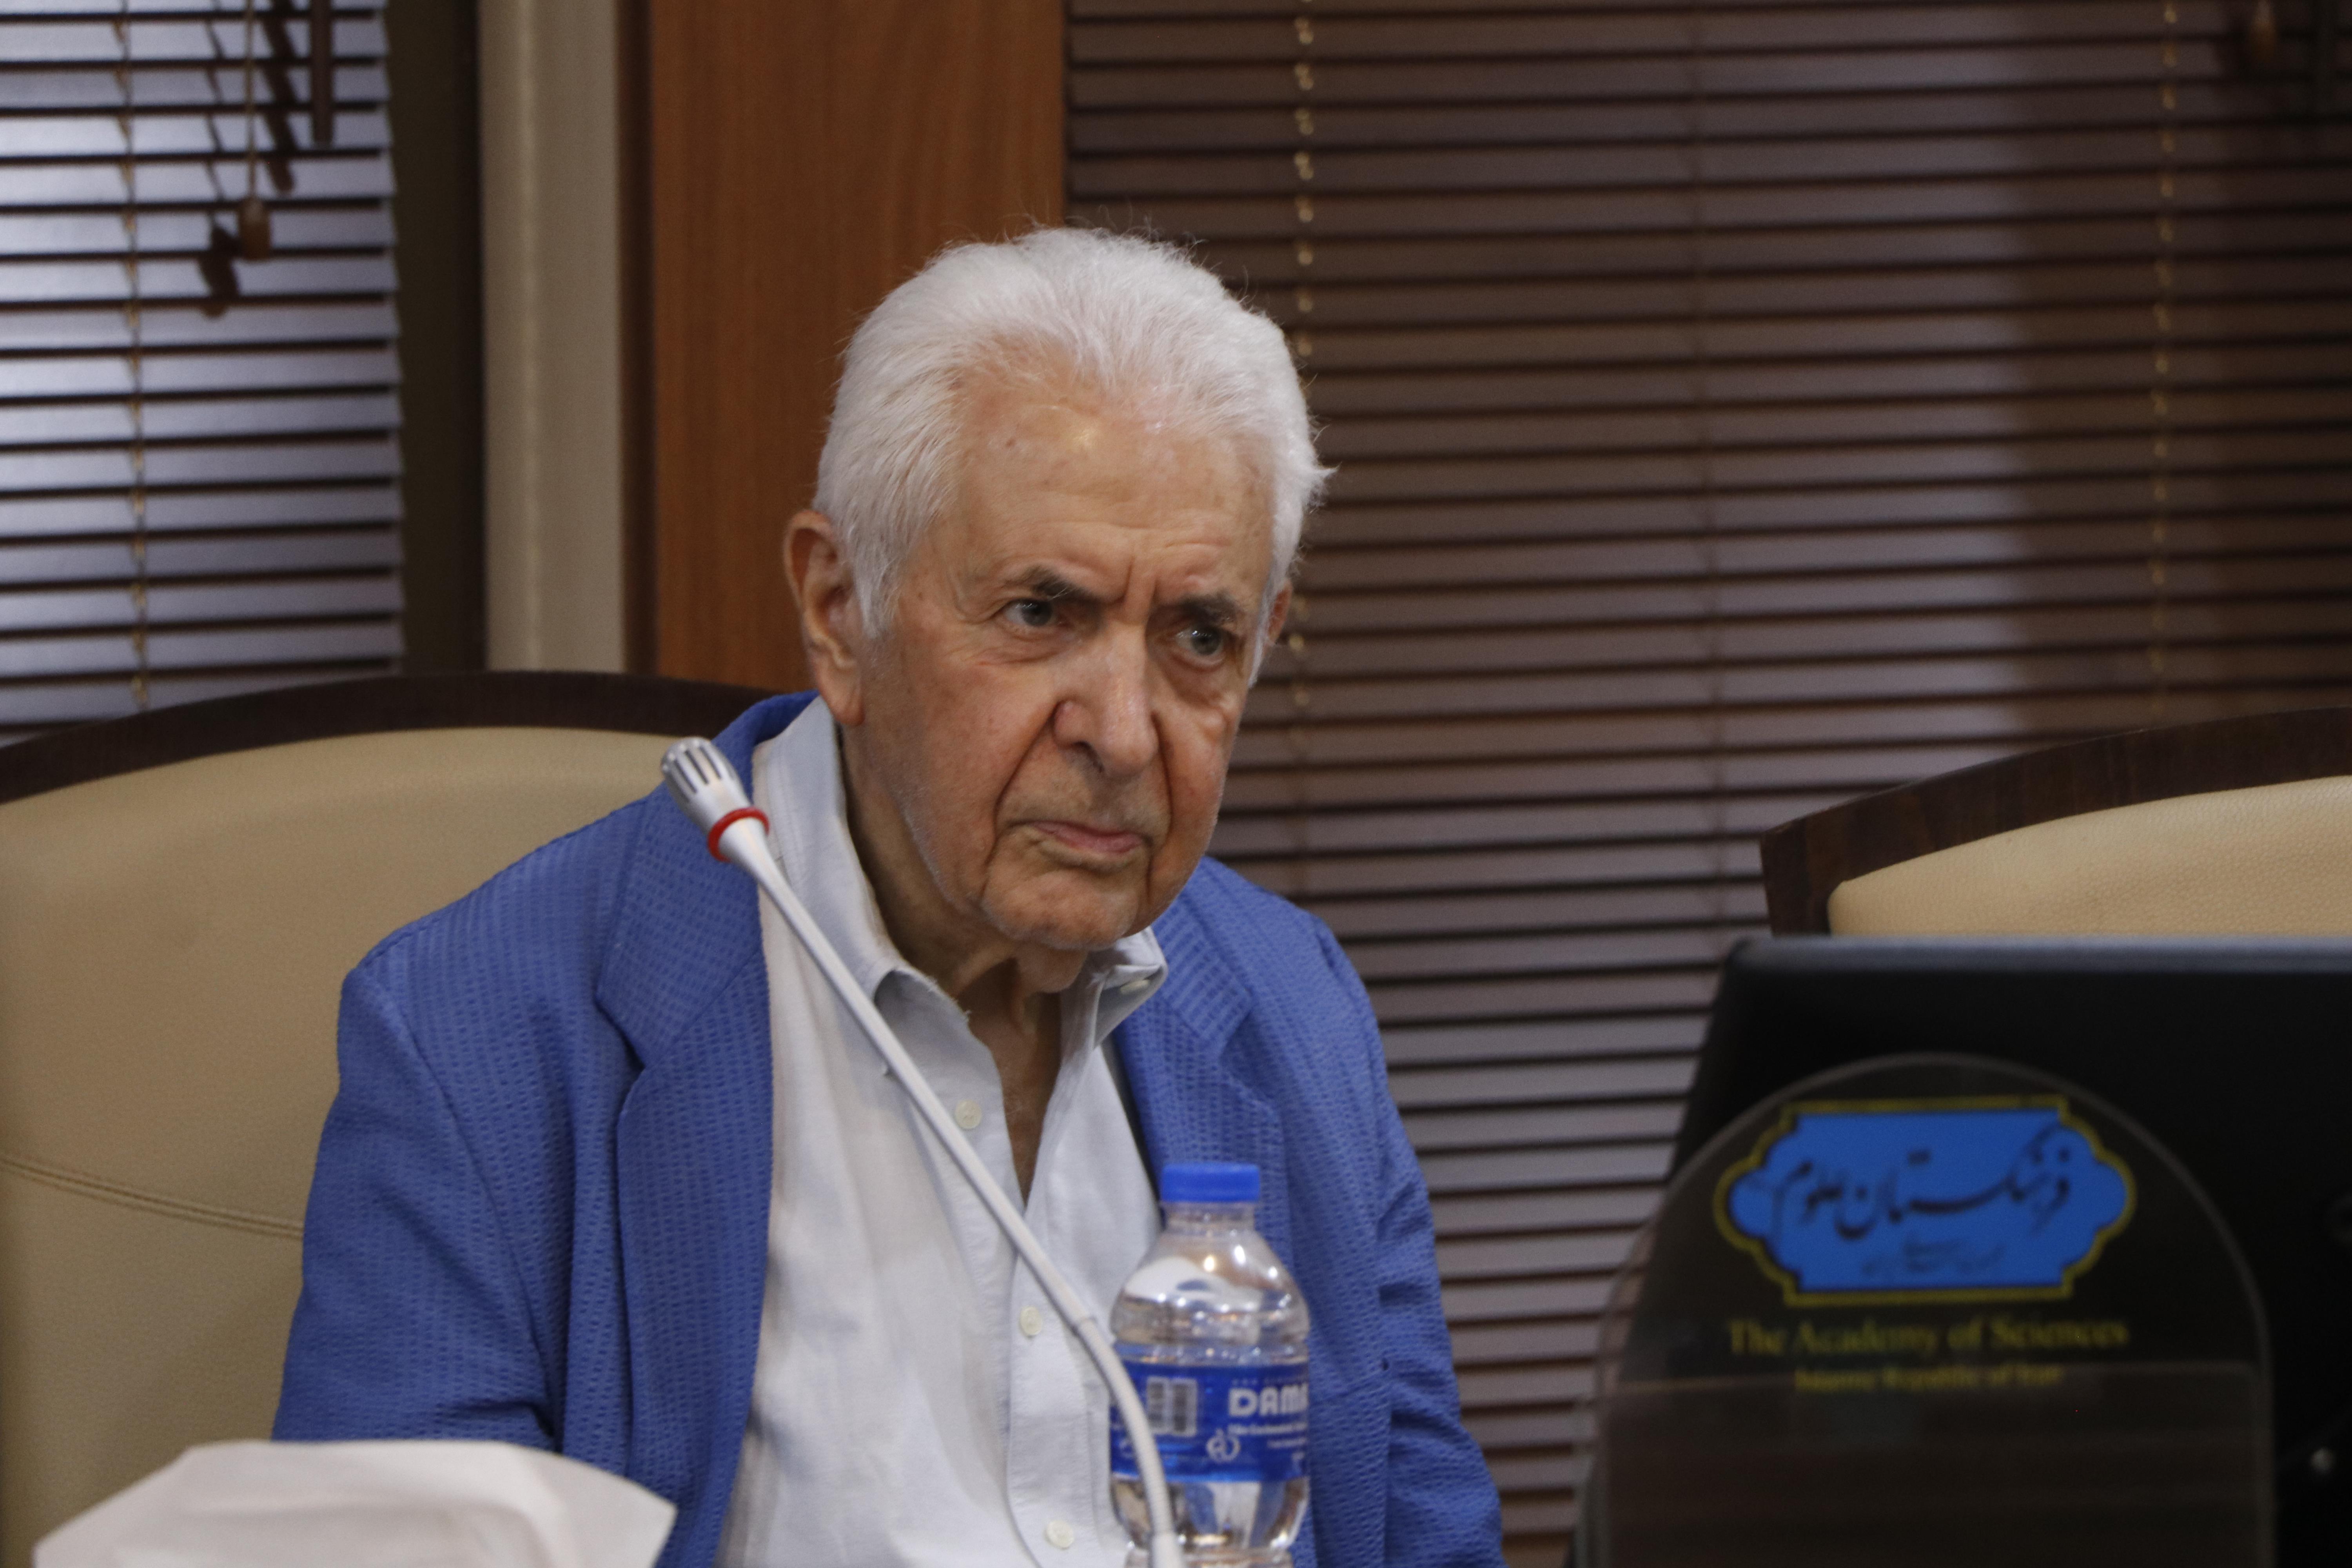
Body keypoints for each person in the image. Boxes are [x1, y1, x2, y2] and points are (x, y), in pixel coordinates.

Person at [276, 228, 1506, 1568]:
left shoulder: (1294, 1002)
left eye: (1197, 637)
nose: (1123, 733)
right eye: (1041, 613)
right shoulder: (479, 1035)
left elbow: (1424, 1537)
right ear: (839, 610)